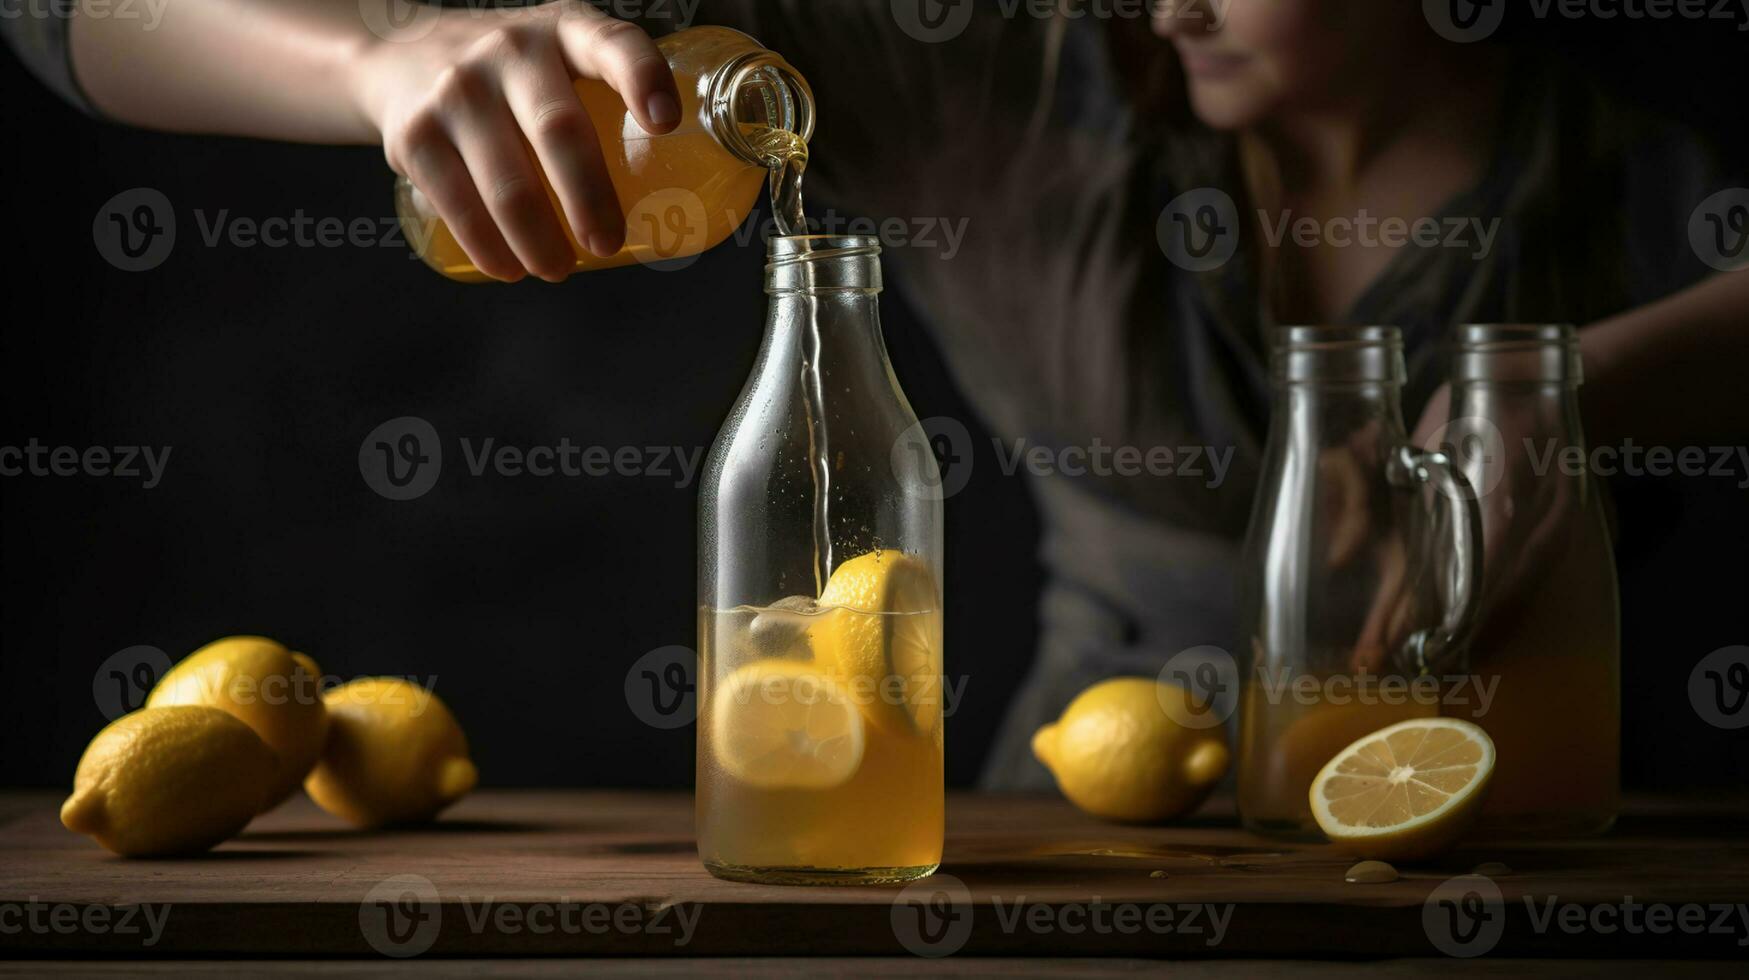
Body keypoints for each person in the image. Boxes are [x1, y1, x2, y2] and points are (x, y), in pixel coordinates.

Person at [8, 0, 1745, 790]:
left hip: (1505, 817)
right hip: (1072, 814)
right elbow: (56, 14)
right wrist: (377, 54)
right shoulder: (987, 68)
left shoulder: (1628, 164)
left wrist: (1595, 380)